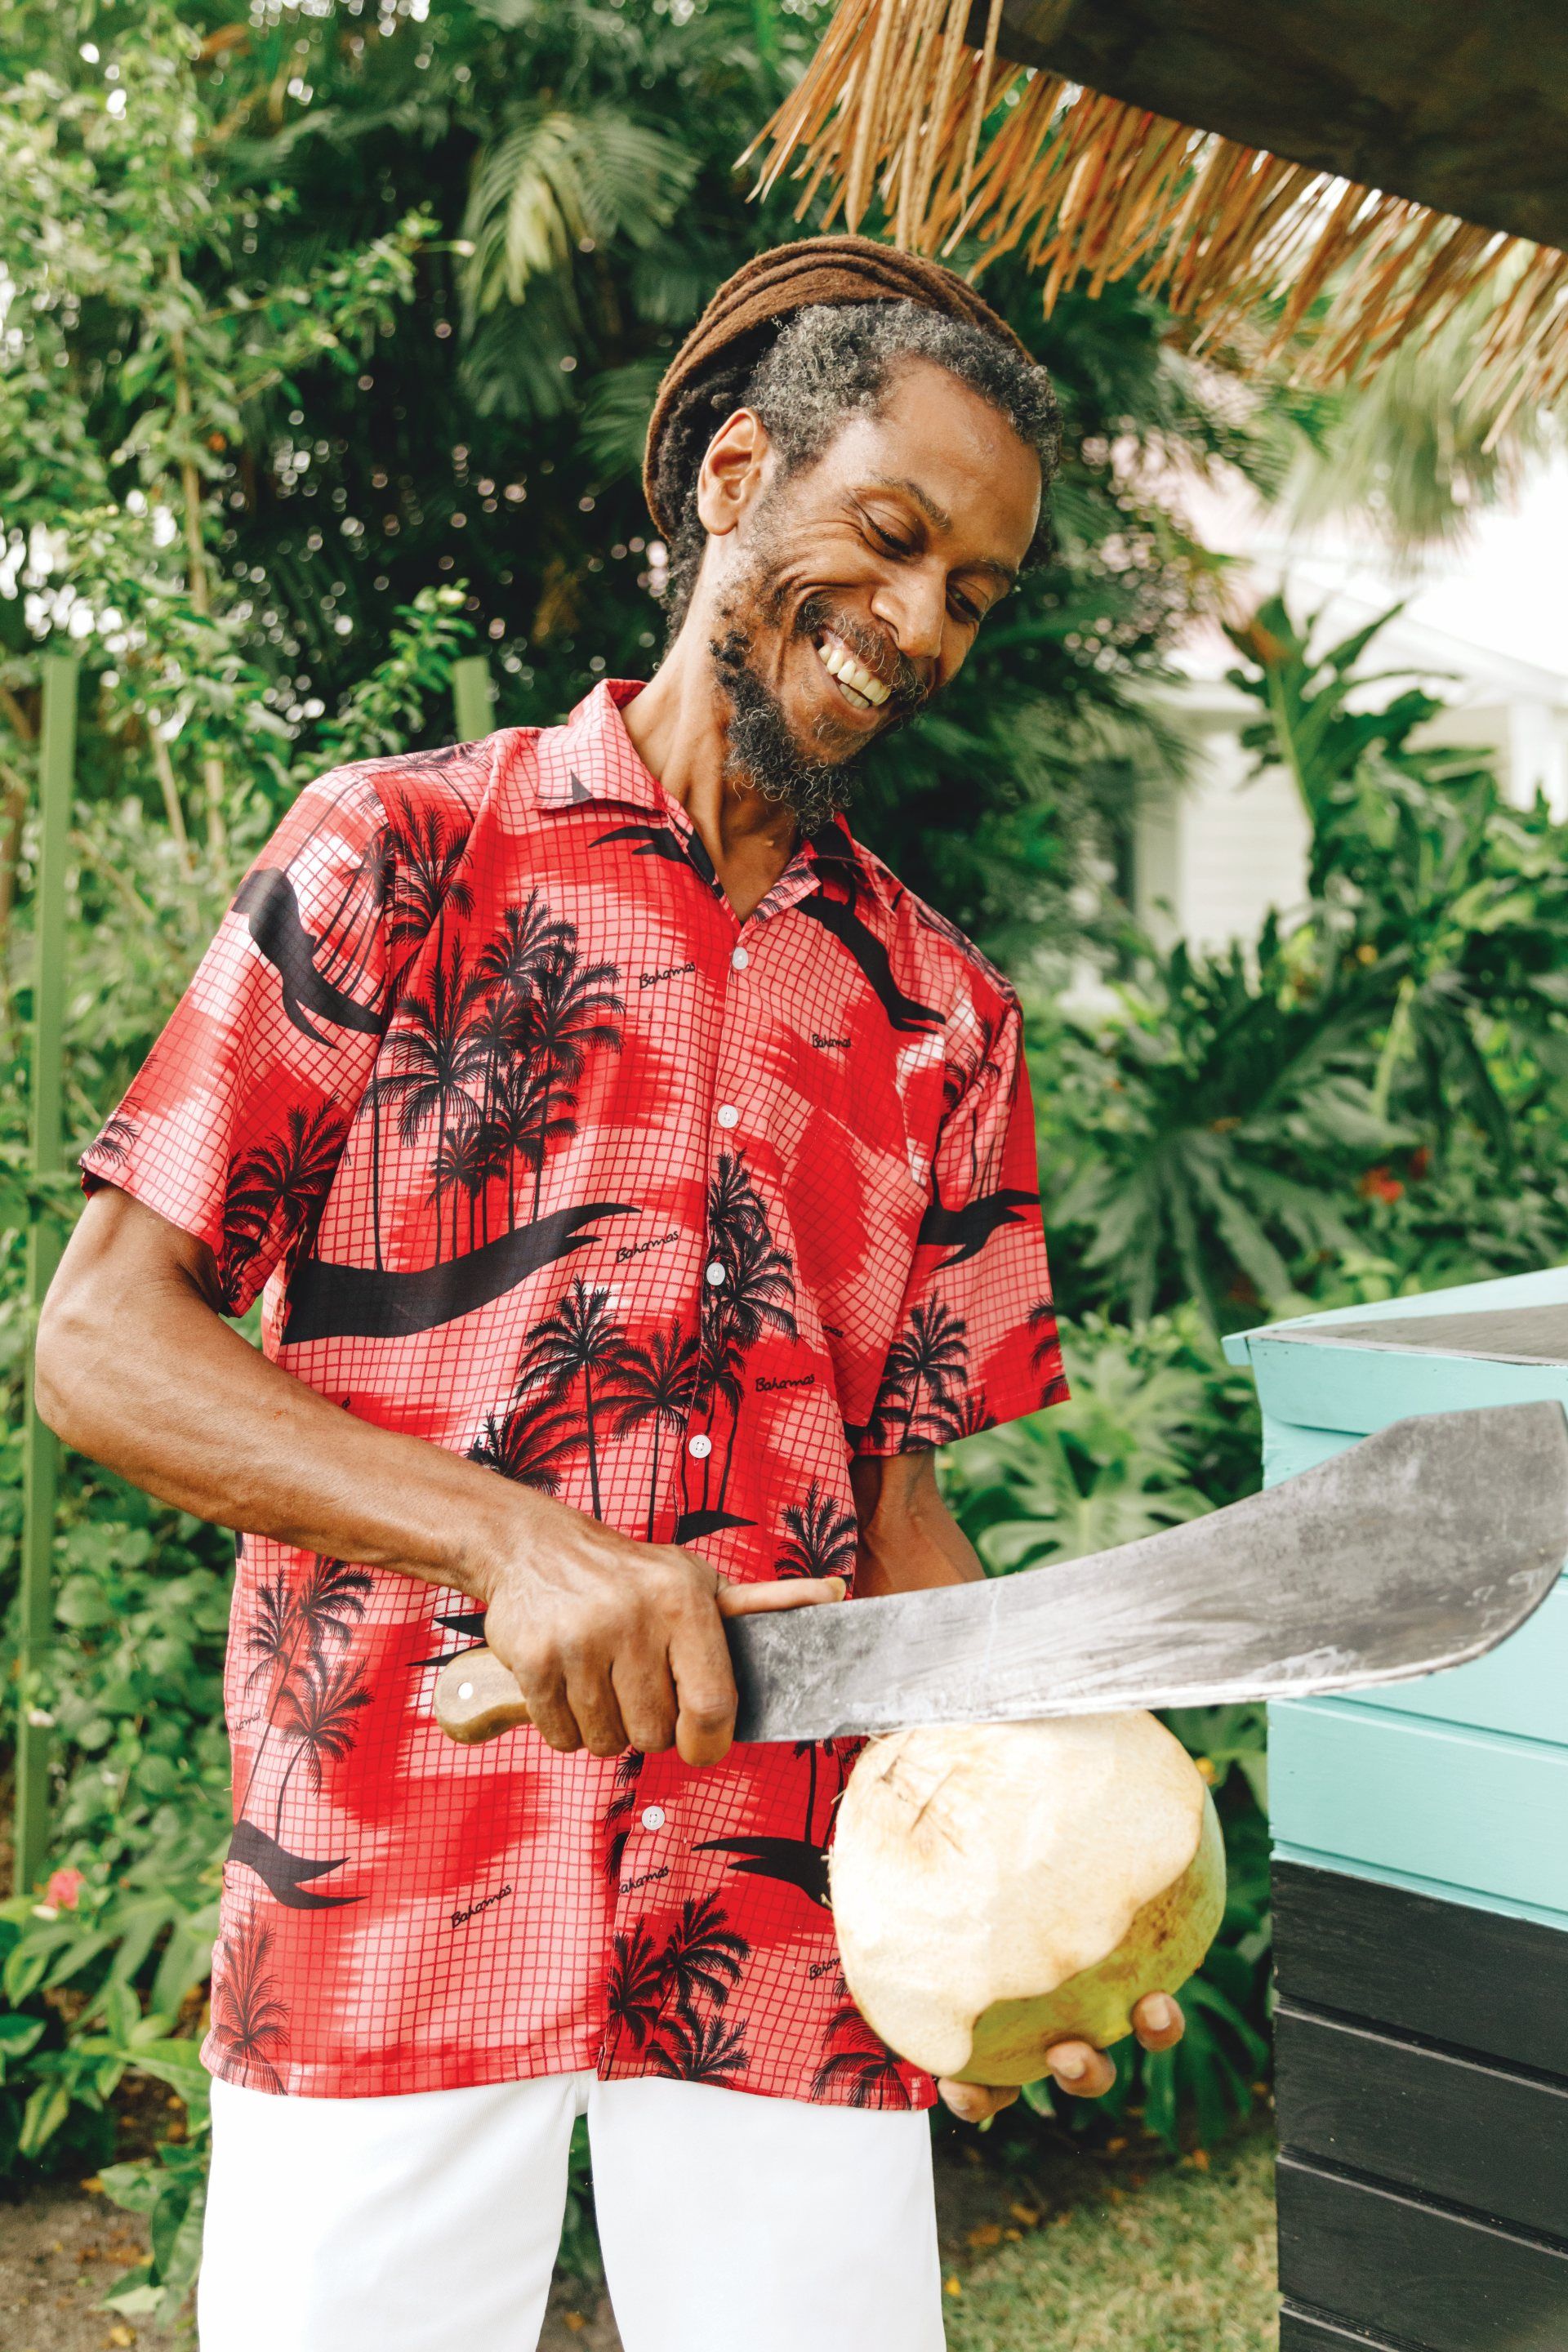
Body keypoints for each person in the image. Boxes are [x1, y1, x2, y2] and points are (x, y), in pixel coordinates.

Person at [37, 237, 1184, 2352]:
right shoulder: (400, 854)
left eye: (975, 594)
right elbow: (102, 1341)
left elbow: (900, 1517)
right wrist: (504, 1542)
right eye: (894, 535)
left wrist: (1020, 1874)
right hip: (385, 1881)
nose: (920, 624)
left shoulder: (945, 1016)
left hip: (783, 1923)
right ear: (736, 471)